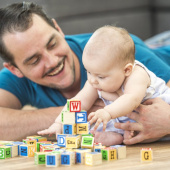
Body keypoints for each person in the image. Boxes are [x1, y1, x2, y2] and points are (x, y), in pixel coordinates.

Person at [0, 2, 170, 142]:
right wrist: (61, 121)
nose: (52, 61)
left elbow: (139, 100)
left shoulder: (120, 53)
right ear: (15, 69)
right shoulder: (94, 75)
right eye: (34, 60)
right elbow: (77, 103)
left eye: (52, 44)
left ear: (59, 30)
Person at [38, 26, 170, 146]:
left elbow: (131, 100)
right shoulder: (95, 79)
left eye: (100, 77)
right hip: (129, 118)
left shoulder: (137, 75)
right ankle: (117, 136)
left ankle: (122, 134)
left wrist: (107, 112)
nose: (92, 80)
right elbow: (78, 102)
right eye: (88, 72)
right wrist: (59, 122)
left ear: (126, 70)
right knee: (93, 123)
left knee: (106, 115)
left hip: (159, 113)